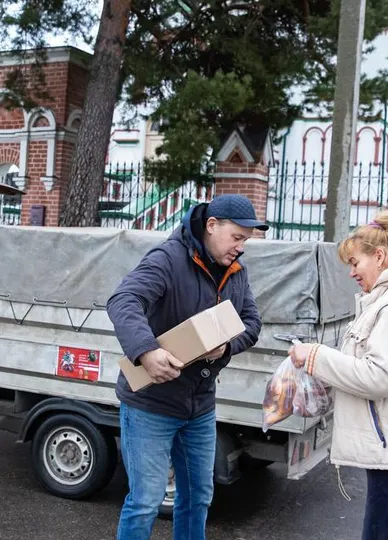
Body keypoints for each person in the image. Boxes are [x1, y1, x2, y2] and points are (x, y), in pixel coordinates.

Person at [107, 194, 265, 540]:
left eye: (245, 240)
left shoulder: (236, 270)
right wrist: (146, 351)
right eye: (237, 237)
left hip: (200, 406)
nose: (240, 247)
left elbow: (252, 322)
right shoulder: (168, 259)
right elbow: (123, 300)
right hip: (151, 403)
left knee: (197, 498)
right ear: (212, 225)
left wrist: (226, 345)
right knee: (146, 501)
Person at [288, 210, 388, 540]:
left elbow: (379, 377)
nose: (351, 273)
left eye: (354, 263)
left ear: (379, 256)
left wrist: (315, 357)